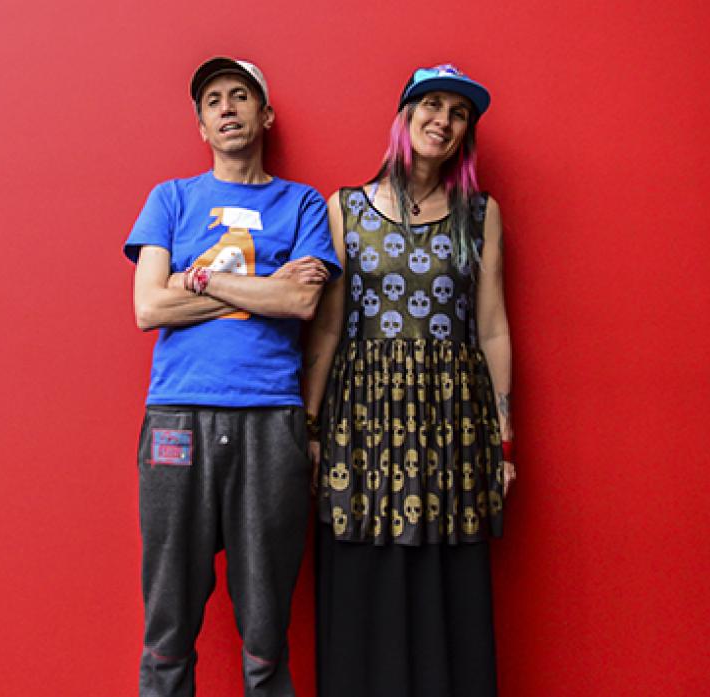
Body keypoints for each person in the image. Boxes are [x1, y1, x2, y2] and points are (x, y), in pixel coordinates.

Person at [124, 56, 340, 697]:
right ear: (201, 126)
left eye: (240, 95)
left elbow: (302, 302)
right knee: (167, 624)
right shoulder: (170, 199)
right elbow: (148, 307)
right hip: (178, 417)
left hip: (270, 420)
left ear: (264, 114)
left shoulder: (302, 204)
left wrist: (196, 280)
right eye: (213, 100)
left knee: (266, 631)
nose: (226, 107)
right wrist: (261, 288)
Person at [302, 64, 515, 697]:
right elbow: (327, 328)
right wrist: (310, 428)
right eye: (431, 104)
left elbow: (492, 328)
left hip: (452, 418)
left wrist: (504, 438)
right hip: (362, 416)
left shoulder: (480, 214)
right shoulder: (345, 207)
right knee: (362, 560)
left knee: (445, 569)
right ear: (404, 116)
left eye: (458, 112)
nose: (443, 120)